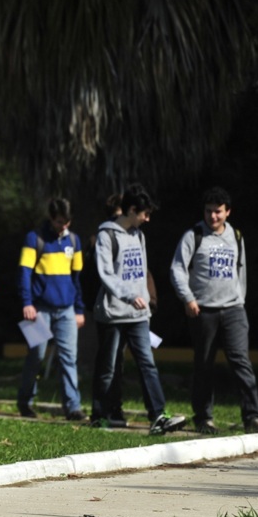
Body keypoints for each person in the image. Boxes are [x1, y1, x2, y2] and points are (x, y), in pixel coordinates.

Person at [168, 187, 258, 435]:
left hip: (234, 309)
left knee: (241, 362)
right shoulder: (194, 235)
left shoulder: (236, 235)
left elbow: (241, 270)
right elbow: (177, 269)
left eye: (218, 212)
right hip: (203, 311)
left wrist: (240, 300)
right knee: (204, 364)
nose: (213, 216)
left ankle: (253, 417)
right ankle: (204, 418)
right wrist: (188, 298)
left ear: (227, 212)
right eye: (208, 211)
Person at [89, 183, 186, 435]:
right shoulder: (106, 235)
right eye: (145, 214)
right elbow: (106, 274)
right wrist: (129, 296)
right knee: (108, 368)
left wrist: (145, 302)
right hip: (113, 314)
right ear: (131, 210)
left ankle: (158, 416)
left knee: (147, 363)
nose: (147, 219)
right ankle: (100, 415)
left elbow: (141, 273)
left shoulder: (139, 235)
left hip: (139, 315)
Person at [16, 198, 85, 420]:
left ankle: (73, 407)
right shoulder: (34, 238)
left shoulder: (74, 240)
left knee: (69, 358)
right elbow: (24, 273)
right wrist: (27, 302)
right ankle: (25, 402)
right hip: (39, 308)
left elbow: (77, 279)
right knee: (36, 356)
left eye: (67, 222)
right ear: (51, 218)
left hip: (67, 310)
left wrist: (79, 309)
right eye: (59, 222)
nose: (63, 226)